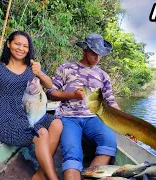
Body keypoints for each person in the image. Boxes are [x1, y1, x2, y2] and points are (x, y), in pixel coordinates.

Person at [0, 31, 62, 180]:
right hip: (7, 117)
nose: (21, 48)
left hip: (31, 113)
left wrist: (40, 73)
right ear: (8, 44)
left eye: (25, 46)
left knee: (57, 123)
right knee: (42, 133)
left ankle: (41, 173)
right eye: (17, 44)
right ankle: (52, 178)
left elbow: (49, 85)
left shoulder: (32, 67)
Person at [46, 33, 122, 180]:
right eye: (94, 53)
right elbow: (50, 92)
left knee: (109, 142)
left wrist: (128, 128)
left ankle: (89, 176)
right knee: (73, 153)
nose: (97, 58)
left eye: (100, 54)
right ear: (84, 50)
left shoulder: (103, 76)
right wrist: (72, 95)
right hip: (69, 118)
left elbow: (112, 102)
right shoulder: (66, 68)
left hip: (93, 118)